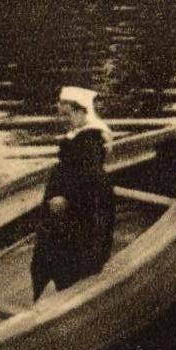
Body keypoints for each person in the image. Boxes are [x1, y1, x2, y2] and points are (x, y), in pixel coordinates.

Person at [31, 87, 115, 302]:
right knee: (52, 250)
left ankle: (72, 293)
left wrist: (66, 198)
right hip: (69, 203)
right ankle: (53, 289)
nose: (60, 109)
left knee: (74, 251)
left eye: (64, 106)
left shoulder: (90, 139)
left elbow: (91, 178)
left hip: (84, 206)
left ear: (79, 110)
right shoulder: (79, 133)